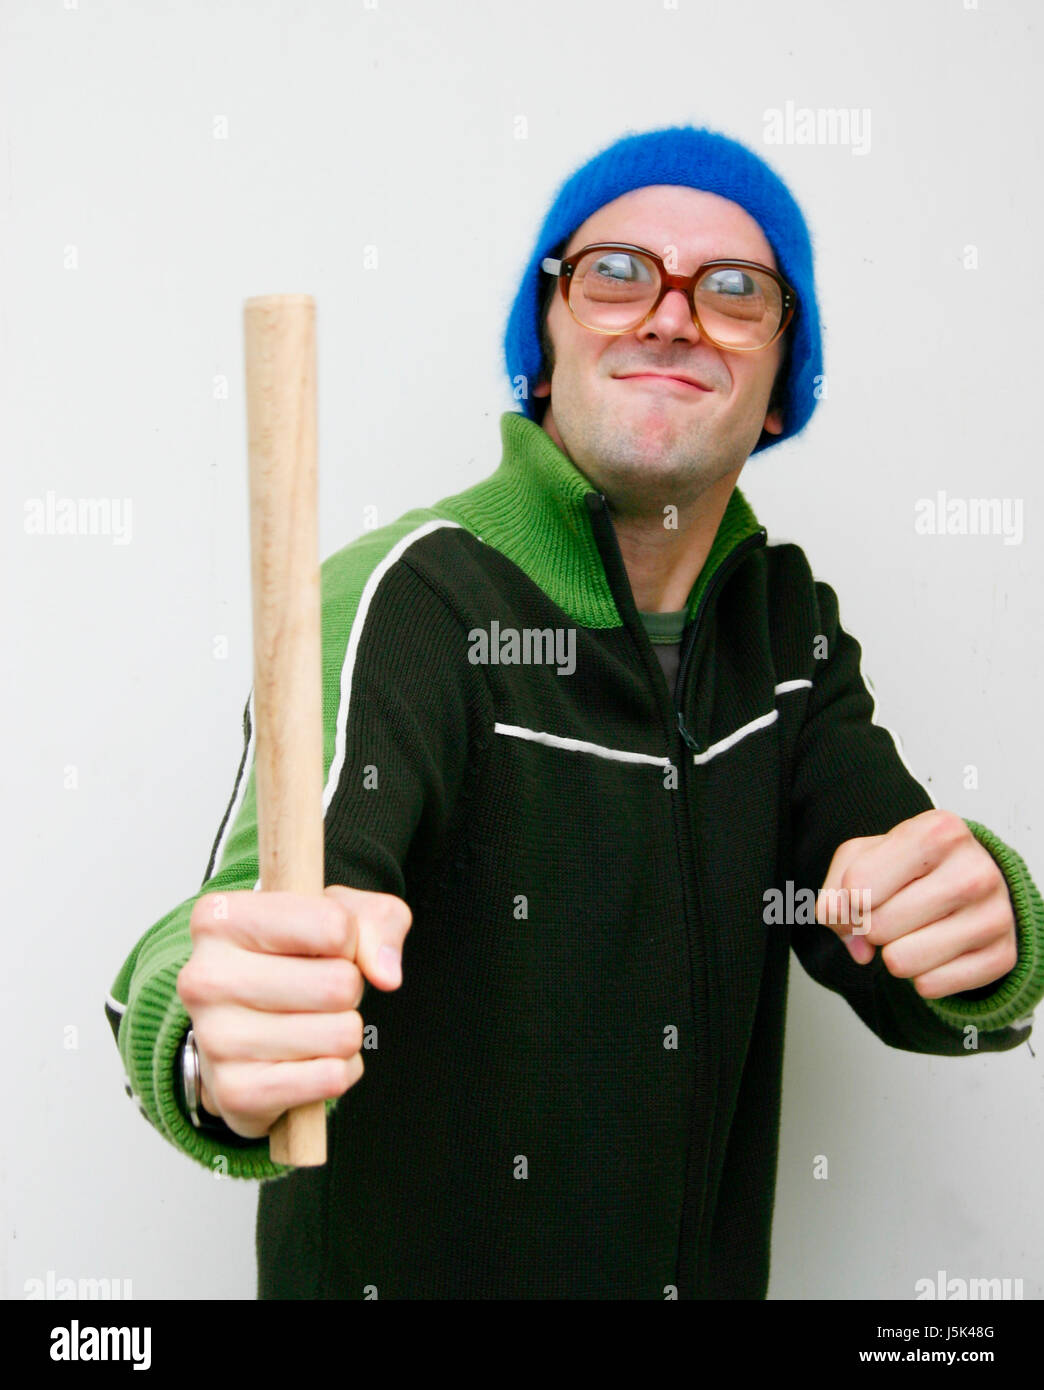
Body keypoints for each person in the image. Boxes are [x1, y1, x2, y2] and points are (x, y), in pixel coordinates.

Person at [106, 124, 1044, 1300]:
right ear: (542, 350)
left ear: (777, 393)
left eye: (737, 290)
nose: (670, 312)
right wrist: (204, 1042)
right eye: (614, 273)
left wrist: (981, 925)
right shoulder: (402, 599)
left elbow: (902, 917)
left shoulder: (785, 625)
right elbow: (224, 931)